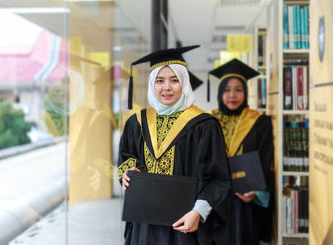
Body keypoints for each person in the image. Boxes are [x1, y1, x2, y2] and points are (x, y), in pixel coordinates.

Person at [118, 45, 234, 245]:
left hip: (185, 227)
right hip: (144, 226)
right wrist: (127, 173)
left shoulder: (204, 125)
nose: (167, 88)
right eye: (159, 80)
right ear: (151, 84)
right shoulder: (136, 123)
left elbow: (220, 178)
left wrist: (198, 212)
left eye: (175, 80)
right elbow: (126, 159)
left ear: (184, 83)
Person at [208, 58, 275, 245]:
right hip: (215, 199)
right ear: (220, 92)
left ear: (245, 93)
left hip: (245, 201)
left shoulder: (259, 122)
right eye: (227, 89)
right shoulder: (209, 122)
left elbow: (265, 158)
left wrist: (256, 191)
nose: (232, 95)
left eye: (238, 89)